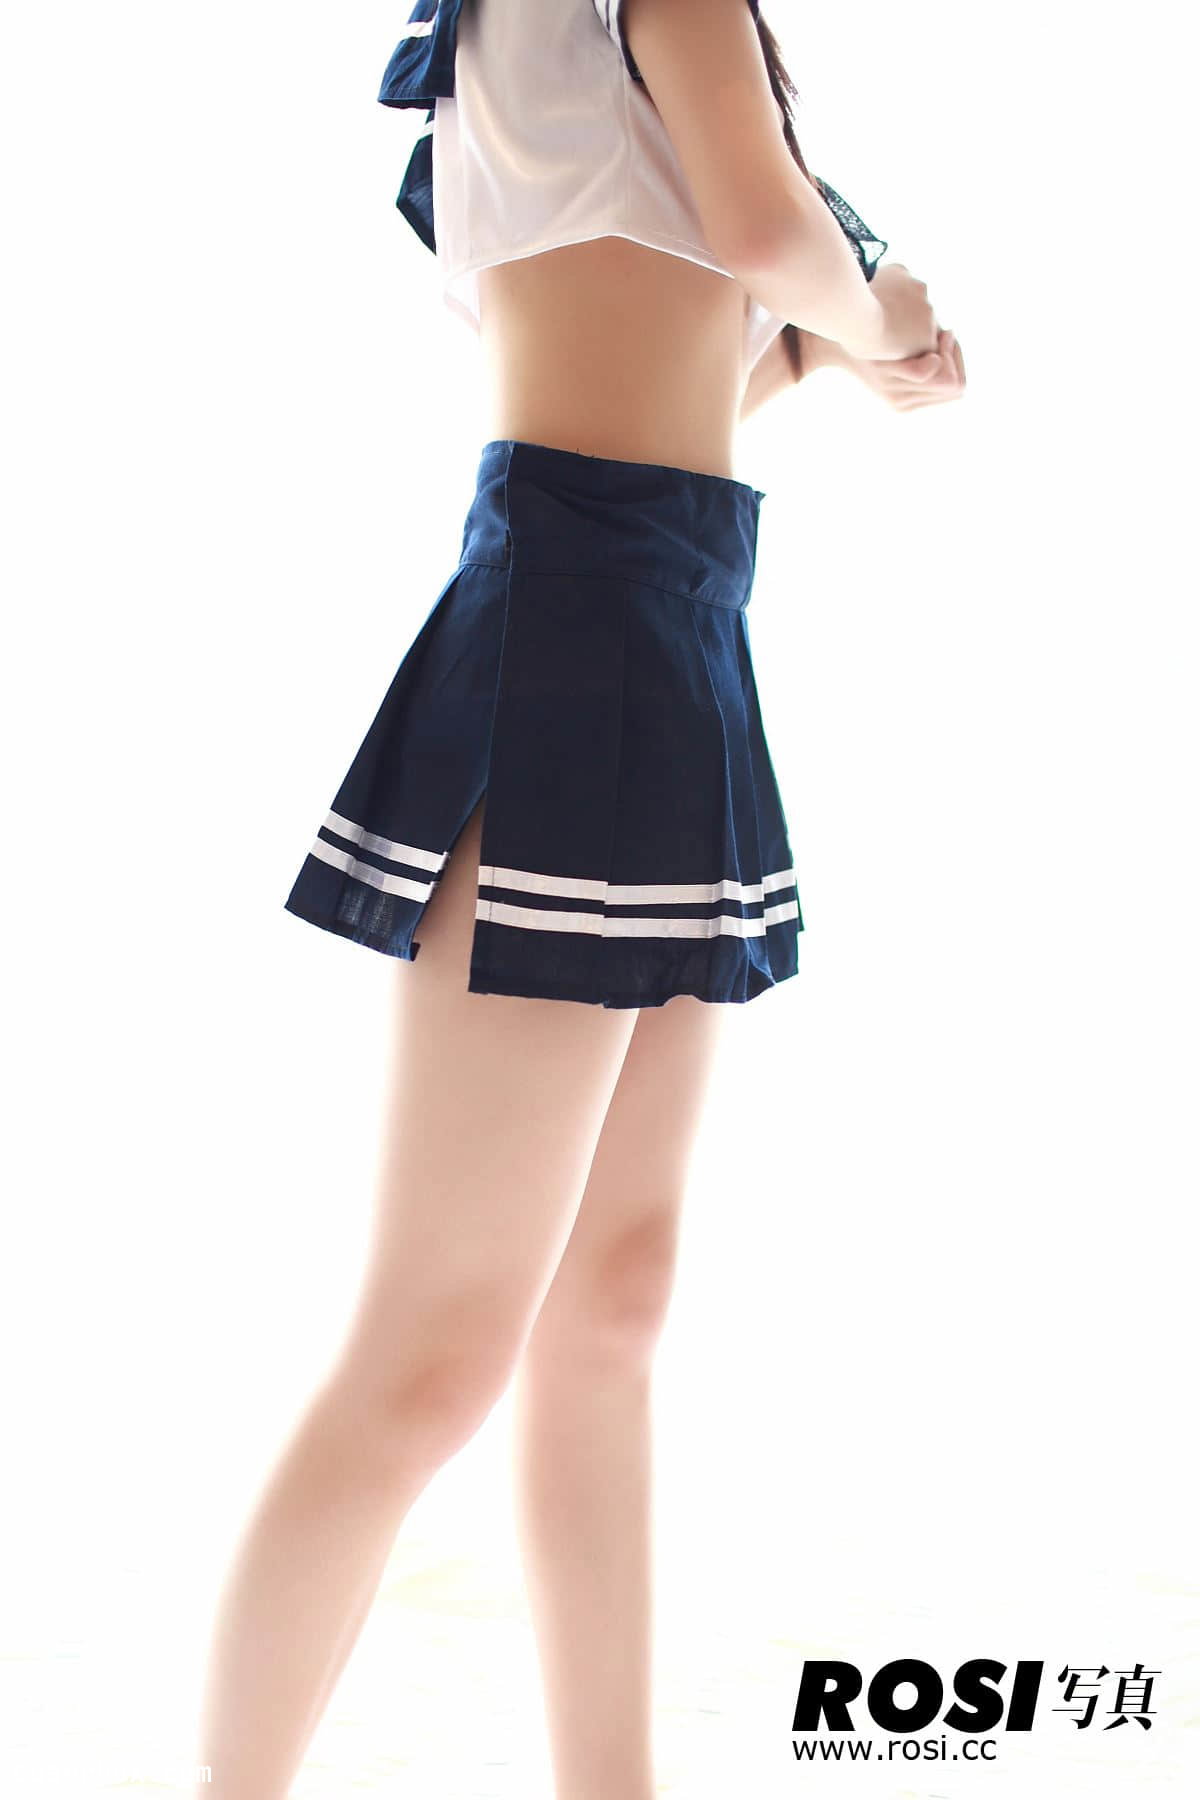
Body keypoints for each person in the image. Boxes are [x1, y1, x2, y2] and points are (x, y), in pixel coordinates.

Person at [191, 2, 965, 1795]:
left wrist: (838, 352)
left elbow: (669, 354)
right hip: (583, 617)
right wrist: (882, 311)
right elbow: (765, 239)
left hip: (669, 610)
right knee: (432, 1348)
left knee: (610, 1303)